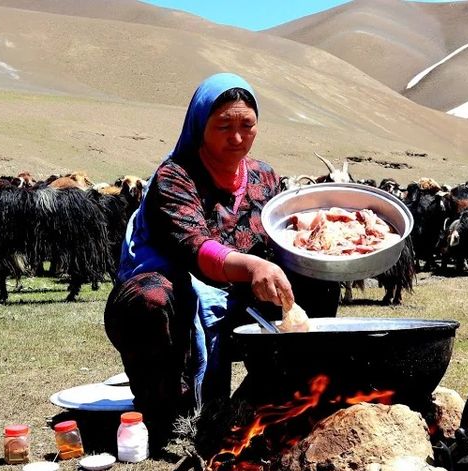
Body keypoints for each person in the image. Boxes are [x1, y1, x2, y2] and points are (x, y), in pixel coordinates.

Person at [104, 73, 339, 450]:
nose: (237, 137)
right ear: (200, 125)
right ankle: (169, 417)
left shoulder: (264, 177)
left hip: (240, 295)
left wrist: (325, 246)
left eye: (247, 126)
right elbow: (196, 249)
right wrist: (253, 268)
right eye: (224, 126)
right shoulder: (175, 177)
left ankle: (267, 401)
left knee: (317, 286)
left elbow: (279, 238)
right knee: (152, 298)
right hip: (176, 290)